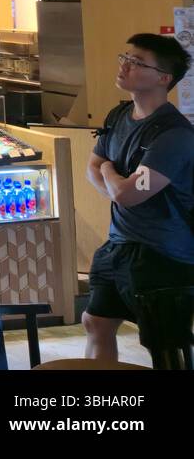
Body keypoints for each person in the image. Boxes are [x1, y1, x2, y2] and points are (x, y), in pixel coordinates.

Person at [83, 33, 194, 362]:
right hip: (117, 245)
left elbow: (128, 194)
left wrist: (109, 176)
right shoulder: (118, 117)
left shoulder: (172, 136)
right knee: (96, 322)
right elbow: (94, 166)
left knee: (165, 345)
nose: (124, 66)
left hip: (162, 256)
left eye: (136, 62)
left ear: (163, 78)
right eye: (125, 58)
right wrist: (114, 180)